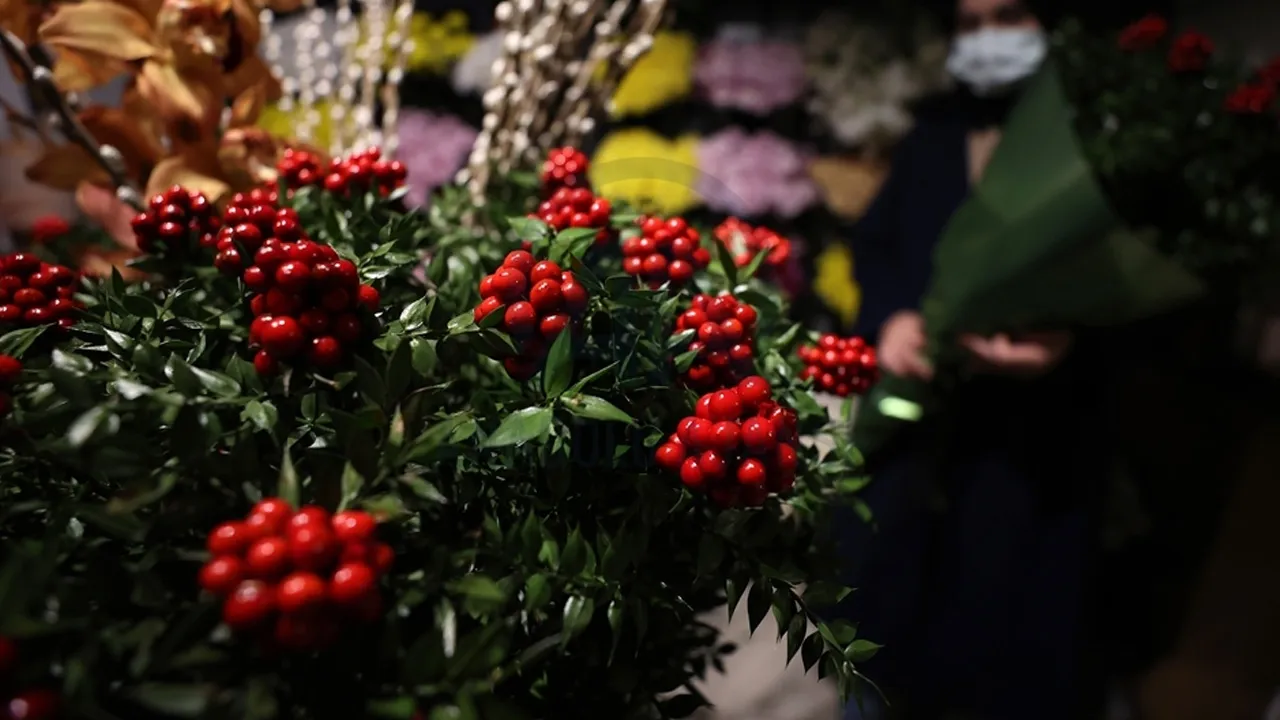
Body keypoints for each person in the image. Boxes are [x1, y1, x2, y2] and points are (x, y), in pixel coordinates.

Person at [837, 1, 1117, 718]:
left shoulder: (1098, 138)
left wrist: (1072, 341)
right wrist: (894, 315)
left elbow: (1135, 287)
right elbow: (880, 245)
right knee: (885, 616)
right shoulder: (935, 134)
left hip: (1035, 443)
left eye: (1010, 15)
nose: (987, 39)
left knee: (1005, 628)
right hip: (918, 430)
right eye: (970, 23)